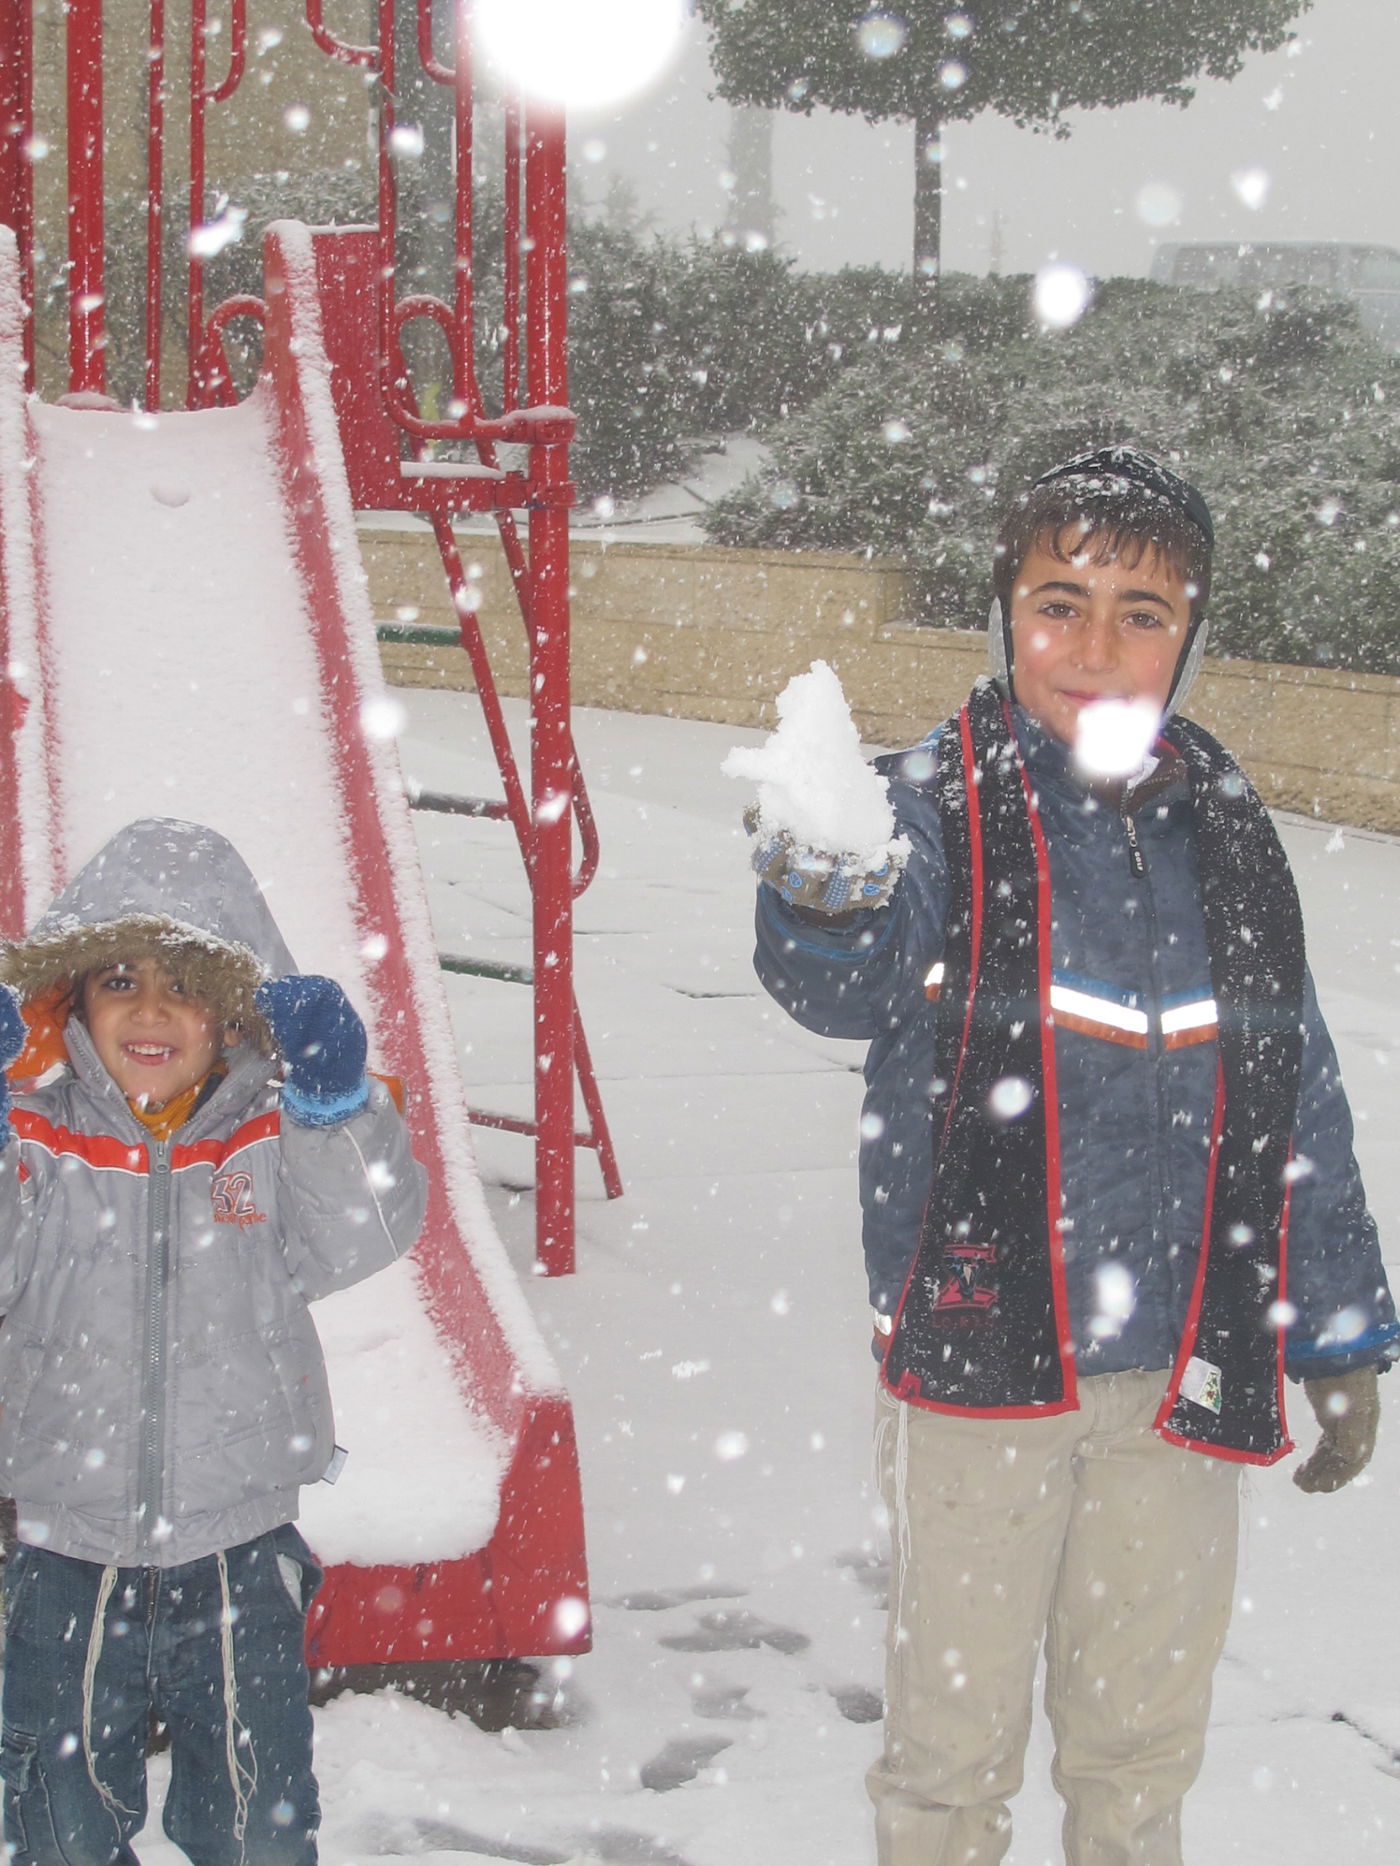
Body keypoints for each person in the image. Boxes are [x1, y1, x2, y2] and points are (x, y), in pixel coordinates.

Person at [745, 447, 1399, 1866]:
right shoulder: (928, 805)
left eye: (1140, 613)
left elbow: (1296, 1093)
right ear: (1004, 619)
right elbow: (847, 984)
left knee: (1139, 1748)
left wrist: (1338, 1328)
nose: (1095, 649)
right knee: (950, 1753)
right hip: (983, 1364)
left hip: (1182, 1367)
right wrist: (825, 900)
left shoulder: (1227, 831)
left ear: (1190, 639)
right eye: (1060, 603)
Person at [0, 817, 428, 1866]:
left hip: (239, 1548)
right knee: (58, 1824)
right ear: (74, 1001)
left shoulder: (269, 1132)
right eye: (121, 981)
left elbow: (364, 1234)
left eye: (186, 985)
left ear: (231, 1013)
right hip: (63, 1552)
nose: (151, 1010)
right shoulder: (39, 1140)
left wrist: (336, 1113)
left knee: (257, 1824)